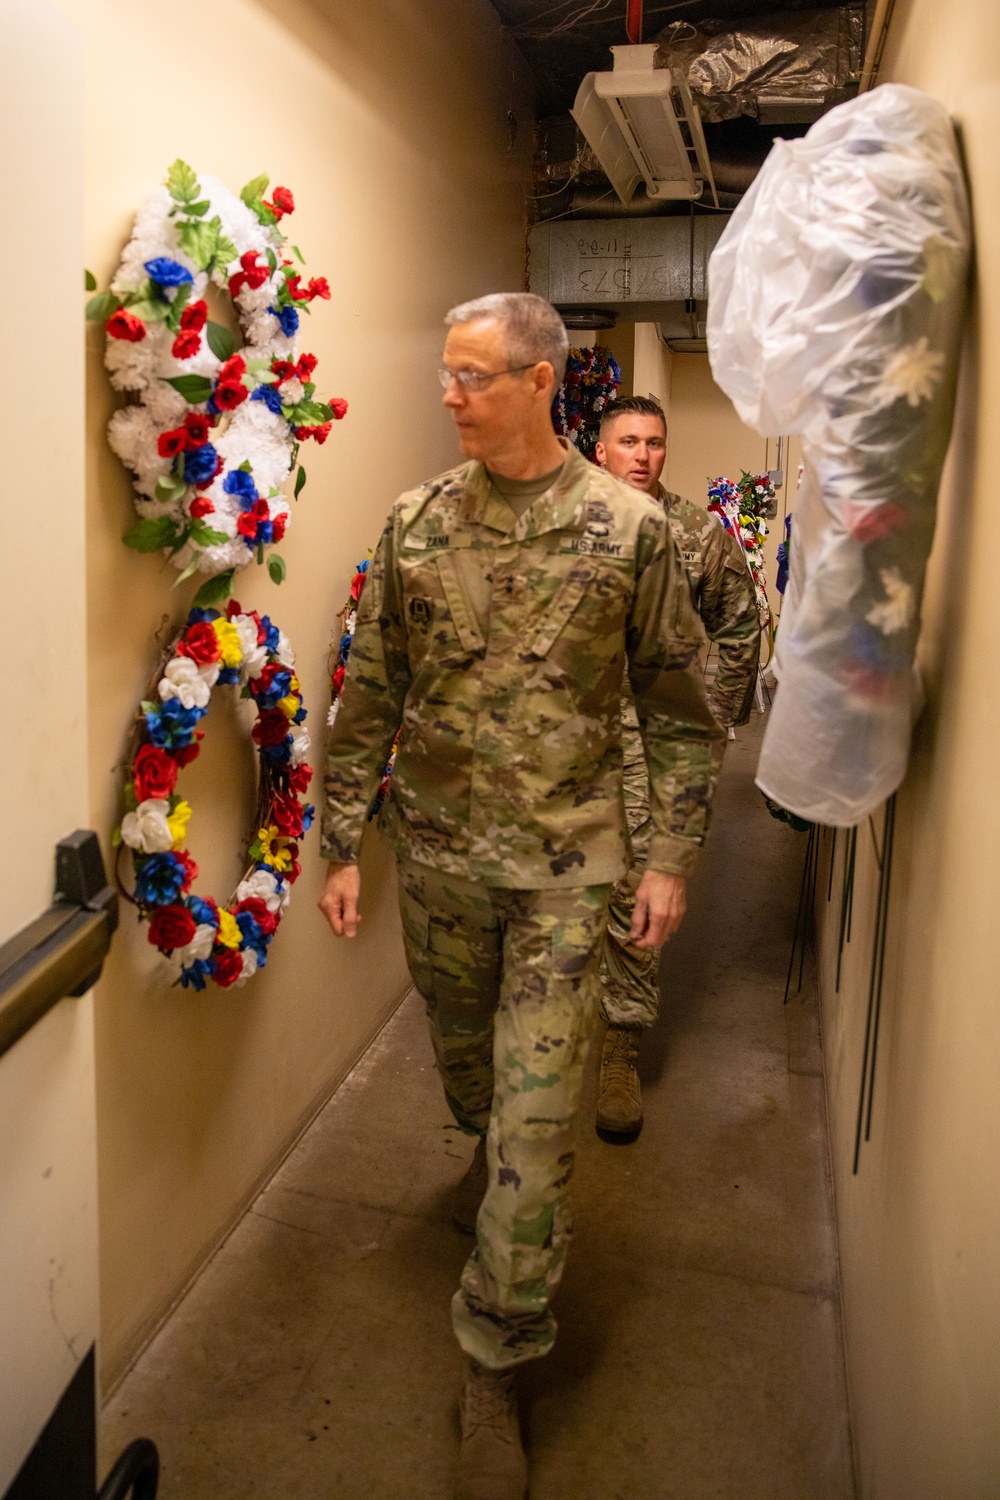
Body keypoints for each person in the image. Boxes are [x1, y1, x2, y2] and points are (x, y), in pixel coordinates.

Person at [318, 296, 723, 1500]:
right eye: (445, 375)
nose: (447, 395)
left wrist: (664, 860)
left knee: (538, 1124)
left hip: (566, 872)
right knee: (475, 1085)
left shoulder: (627, 532)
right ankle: (492, 1165)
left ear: (545, 382)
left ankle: (494, 1360)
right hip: (441, 865)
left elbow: (677, 710)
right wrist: (342, 843)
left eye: (472, 377)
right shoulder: (414, 525)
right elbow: (369, 696)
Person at [592, 395, 761, 1137]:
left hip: (652, 745)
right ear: (600, 451)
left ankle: (620, 1045)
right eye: (627, 441)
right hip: (564, 743)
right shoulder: (560, 525)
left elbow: (738, 624)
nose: (641, 455)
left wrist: (711, 715)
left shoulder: (697, 537)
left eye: (654, 443)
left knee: (637, 887)